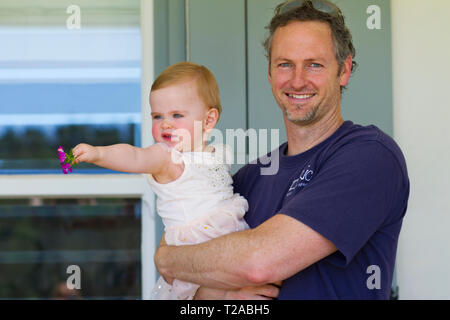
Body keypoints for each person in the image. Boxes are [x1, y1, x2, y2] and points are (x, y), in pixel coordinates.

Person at [154, 0, 410, 299]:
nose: (297, 80)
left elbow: (258, 263)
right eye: (285, 64)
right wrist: (217, 296)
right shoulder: (250, 177)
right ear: (270, 73)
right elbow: (184, 251)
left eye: (314, 64)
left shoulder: (370, 157)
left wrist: (167, 260)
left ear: (344, 70)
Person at [72, 62, 250, 300]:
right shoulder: (166, 158)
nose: (165, 124)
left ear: (208, 121)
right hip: (192, 249)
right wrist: (98, 154)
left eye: (177, 115)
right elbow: (134, 156)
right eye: (158, 116)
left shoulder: (216, 152)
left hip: (227, 238)